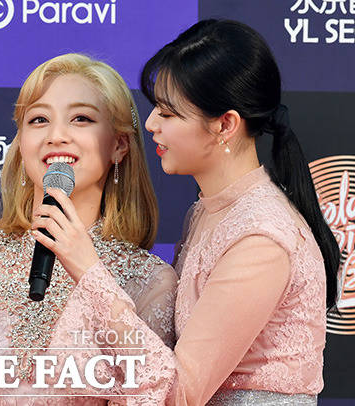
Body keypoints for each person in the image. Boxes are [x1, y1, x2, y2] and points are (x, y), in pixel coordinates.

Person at [75, 19, 339, 404]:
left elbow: (176, 393)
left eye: (168, 114)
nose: (150, 124)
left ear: (225, 125)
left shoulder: (260, 237)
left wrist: (88, 270)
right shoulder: (209, 210)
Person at [0, 53, 177, 404]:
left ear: (119, 145)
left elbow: (155, 391)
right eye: (39, 119)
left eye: (81, 119)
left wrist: (91, 274)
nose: (56, 136)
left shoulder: (151, 281)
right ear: (21, 142)